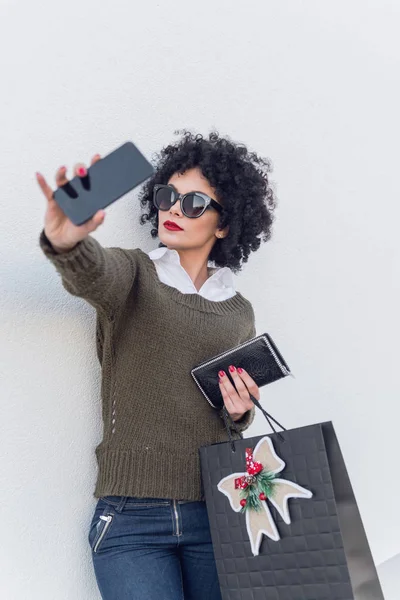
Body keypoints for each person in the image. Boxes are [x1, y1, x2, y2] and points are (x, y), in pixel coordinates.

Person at [36, 130, 277, 600]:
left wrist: (241, 410)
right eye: (168, 196)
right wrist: (64, 243)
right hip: (132, 519)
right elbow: (93, 272)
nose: (173, 209)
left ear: (224, 225)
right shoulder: (135, 274)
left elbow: (230, 417)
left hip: (217, 510)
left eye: (193, 203)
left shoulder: (238, 309)